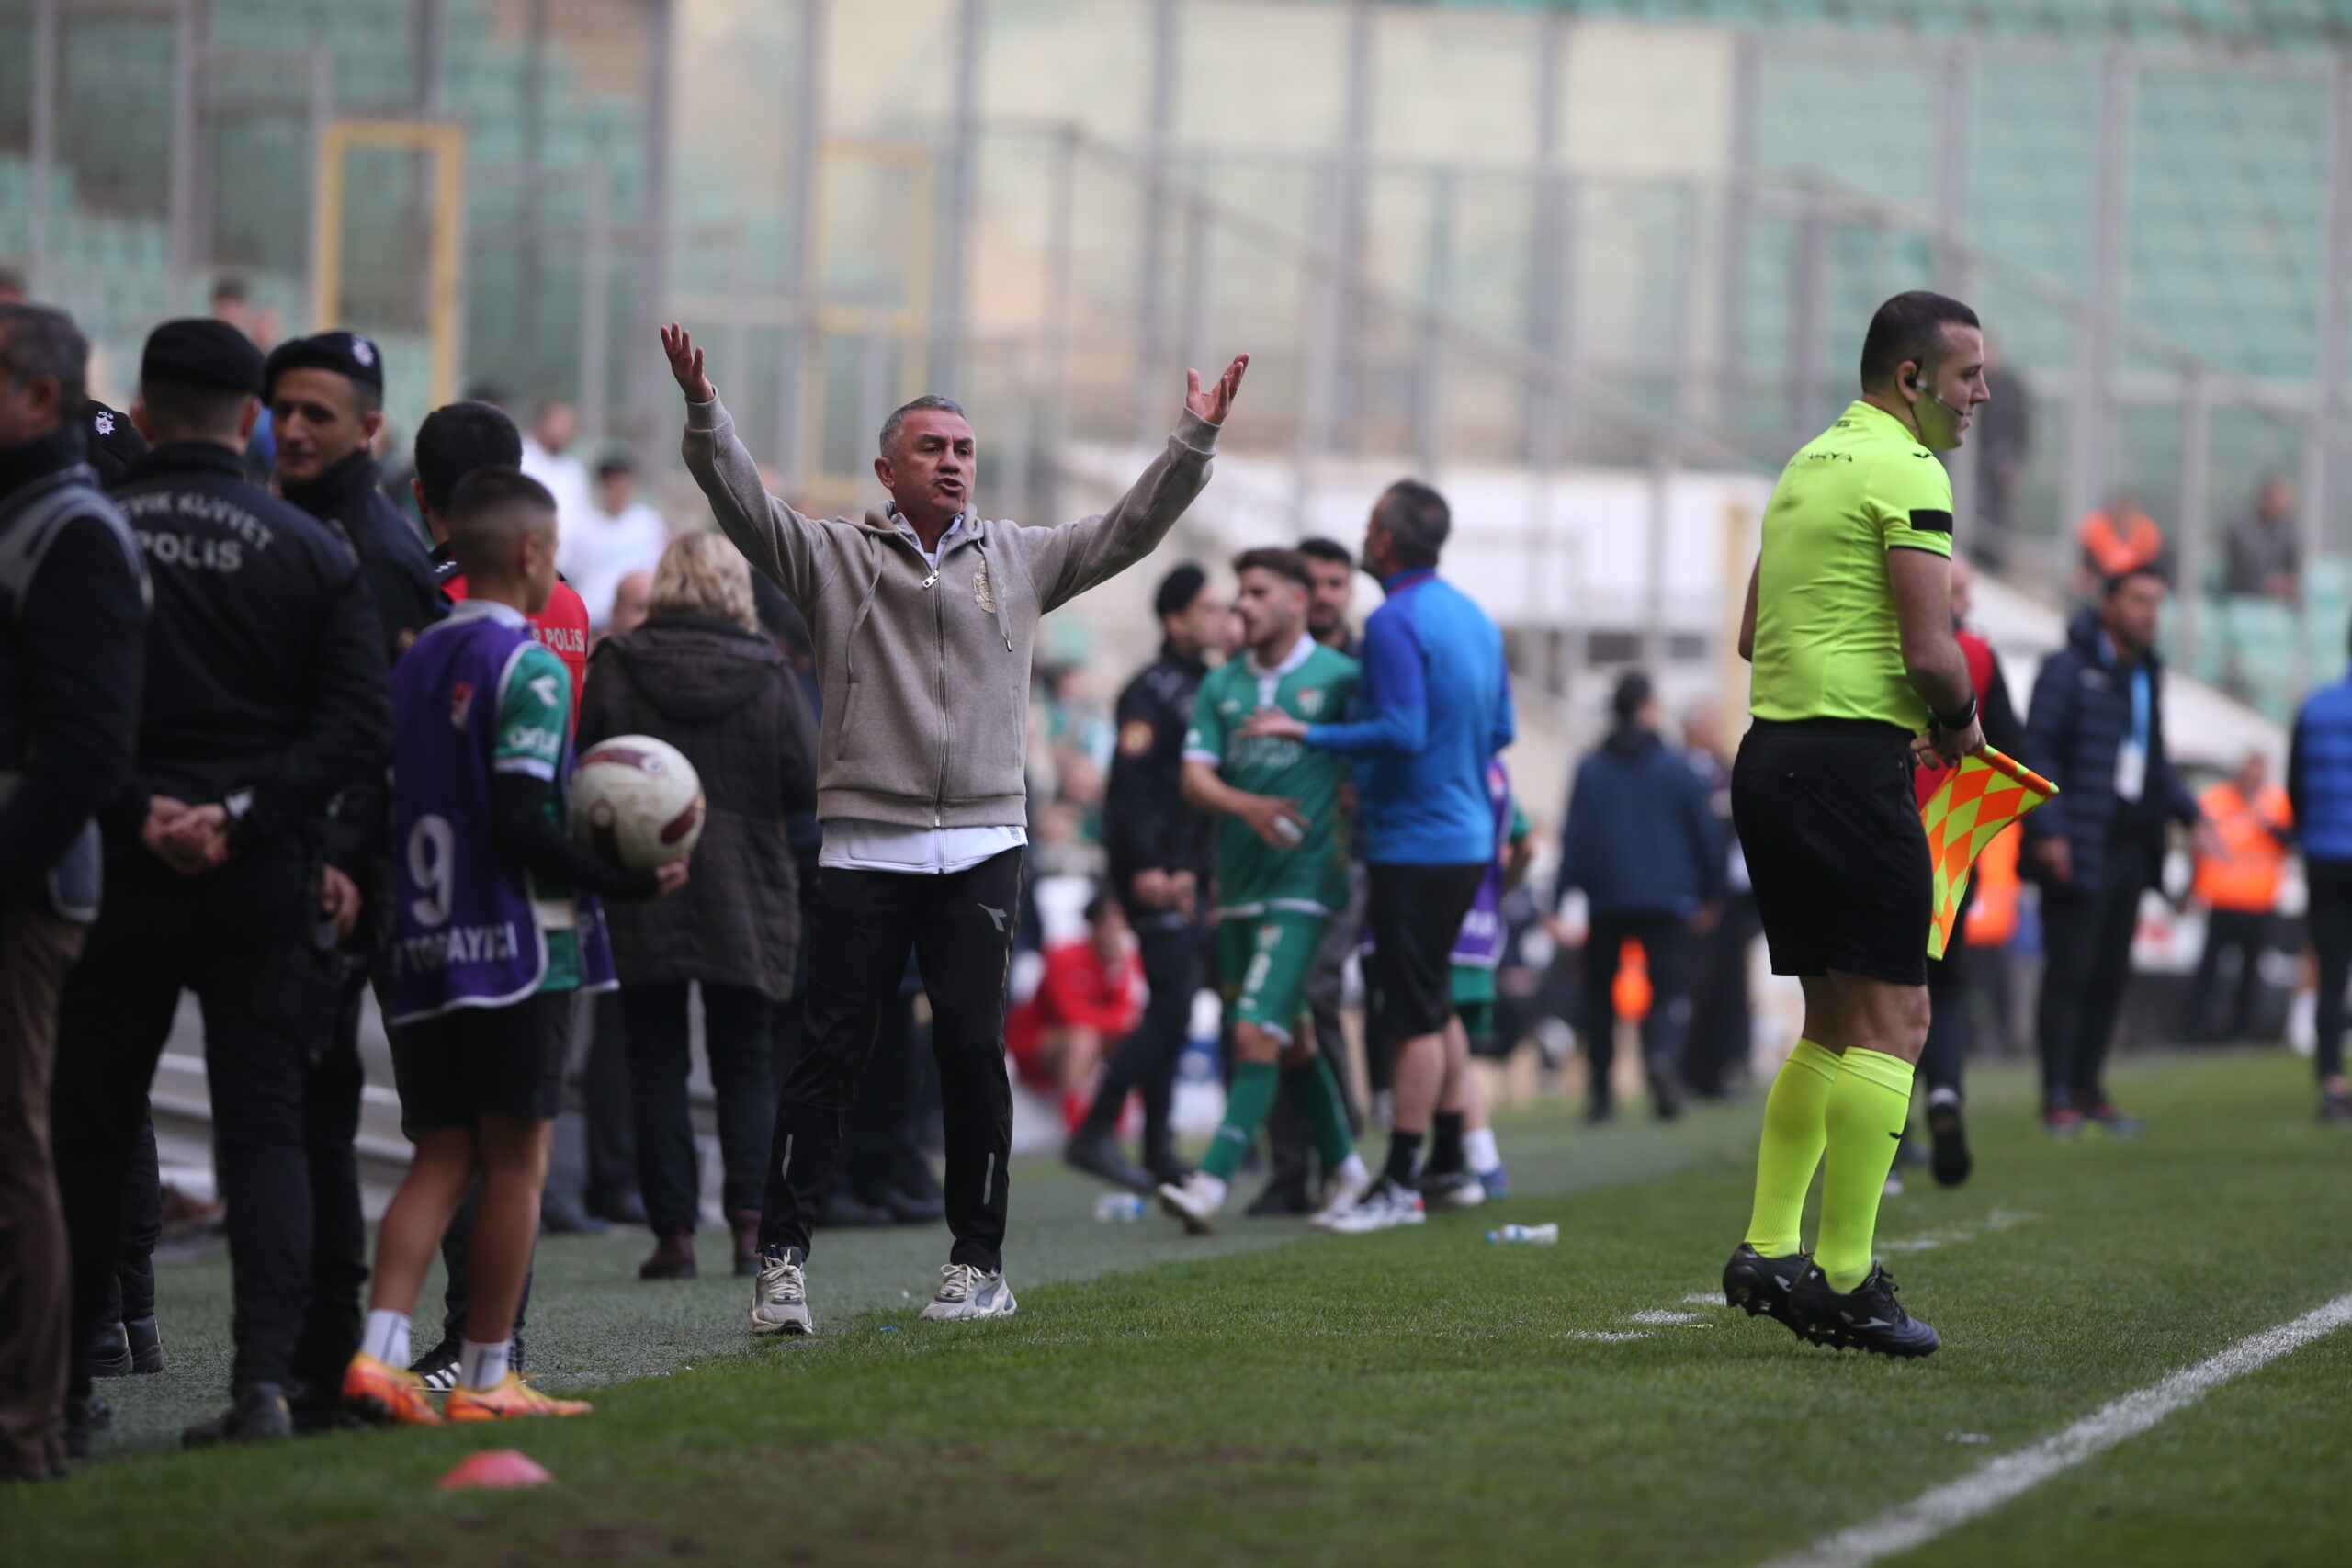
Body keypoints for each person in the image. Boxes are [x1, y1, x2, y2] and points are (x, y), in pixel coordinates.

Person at [665, 321, 1247, 1331]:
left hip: (984, 843)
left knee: (972, 1052)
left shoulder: (1019, 558)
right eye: (930, 448)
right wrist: (707, 417)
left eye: (963, 449)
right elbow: (743, 508)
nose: (951, 462)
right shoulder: (832, 556)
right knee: (831, 1050)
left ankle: (977, 1263)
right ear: (887, 468)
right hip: (863, 841)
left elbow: (1129, 529)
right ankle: (783, 1265)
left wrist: (1190, 441)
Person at [50, 318, 390, 1445]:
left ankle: (63, 1393)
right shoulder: (309, 548)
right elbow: (354, 728)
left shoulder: (89, 533)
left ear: (143, 412)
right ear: (249, 414)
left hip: (122, 868)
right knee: (267, 1133)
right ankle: (261, 1388)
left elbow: (57, 711)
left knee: (89, 1126)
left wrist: (143, 809)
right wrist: (241, 816)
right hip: (263, 877)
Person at [341, 468, 686, 1427]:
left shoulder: (410, 661)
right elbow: (523, 822)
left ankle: (378, 1356)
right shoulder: (528, 666)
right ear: (533, 556)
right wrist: (630, 881)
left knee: (439, 1158)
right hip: (517, 949)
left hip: (419, 940)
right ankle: (488, 1377)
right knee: (516, 1165)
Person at [1721, 290, 1991, 1360]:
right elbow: (1933, 654)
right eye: (1967, 375)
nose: (1981, 396)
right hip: (1845, 767)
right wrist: (1958, 726)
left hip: (1771, 761)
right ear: (1911, 377)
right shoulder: (1907, 470)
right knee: (1899, 1025)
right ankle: (1842, 1283)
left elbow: (1751, 636)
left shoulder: (1806, 463)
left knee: (1830, 1025)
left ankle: (1767, 1247)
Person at [1245, 482, 1514, 1234]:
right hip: (1464, 838)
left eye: (1369, 526)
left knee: (1414, 1014)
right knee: (1425, 1004)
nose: (1363, 537)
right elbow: (1499, 731)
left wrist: (1311, 737)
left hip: (1415, 843)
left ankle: (1401, 1179)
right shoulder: (1475, 617)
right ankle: (1447, 1163)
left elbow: (1399, 729)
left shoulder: (1395, 620)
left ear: (1387, 542)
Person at [579, 532, 818, 1280]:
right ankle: (749, 1229)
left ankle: (672, 1235)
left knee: (655, 1061)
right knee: (745, 1065)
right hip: (748, 889)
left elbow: (586, 769)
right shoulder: (771, 672)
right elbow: (805, 784)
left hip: (647, 879)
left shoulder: (616, 664)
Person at [0, 302, 147, 1481]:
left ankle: (31, 1424)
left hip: (30, 890)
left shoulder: (77, 531)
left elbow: (89, 752)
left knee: (20, 1160)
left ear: (38, 397)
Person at [1157, 548, 1372, 1234]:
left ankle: (1210, 1181)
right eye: (1239, 592)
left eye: (1256, 592)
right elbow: (1194, 778)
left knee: (1253, 1030)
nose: (1240, 605)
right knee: (1294, 1035)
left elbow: (1380, 746)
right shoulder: (1222, 685)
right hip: (1240, 886)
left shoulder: (1342, 677)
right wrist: (1247, 807)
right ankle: (1347, 1168)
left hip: (1309, 884)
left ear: (1296, 603)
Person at [2022, 568, 2213, 1136]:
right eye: (2138, 599)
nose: (2150, 612)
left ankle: (2089, 1090)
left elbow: (2153, 760)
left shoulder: (2146, 674)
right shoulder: (2066, 669)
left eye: (2157, 601)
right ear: (2107, 605)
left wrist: (2192, 814)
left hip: (2132, 847)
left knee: (2108, 974)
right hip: (2079, 843)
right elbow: (2039, 752)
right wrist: (2050, 830)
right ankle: (2056, 1094)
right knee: (2070, 972)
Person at [1069, 563, 1226, 1192]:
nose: (1222, 617)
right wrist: (1151, 868)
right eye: (1210, 607)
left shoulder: (1211, 684)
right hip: (1156, 872)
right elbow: (1129, 791)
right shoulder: (1149, 691)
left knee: (1176, 1008)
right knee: (1173, 1004)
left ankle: (1158, 1145)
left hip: (1191, 871)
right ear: (1176, 619)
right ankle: (1098, 1126)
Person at [1557, 671, 1722, 1122]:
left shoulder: (1590, 768)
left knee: (1600, 998)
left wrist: (1560, 896)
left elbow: (1575, 835)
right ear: (1647, 709)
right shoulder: (1677, 768)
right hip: (1668, 897)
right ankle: (1660, 1056)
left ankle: (1602, 1094)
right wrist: (1710, 890)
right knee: (1667, 989)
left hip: (1606, 895)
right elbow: (1704, 833)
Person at [1263, 533, 1371, 1215]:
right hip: (1271, 857)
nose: (1328, 595)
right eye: (1318, 583)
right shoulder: (1266, 664)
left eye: (1339, 582)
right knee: (1273, 1000)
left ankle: (1344, 1147)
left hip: (1347, 856)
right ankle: (1289, 1165)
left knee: (1319, 989)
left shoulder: (1366, 664)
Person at [1911, 555, 2026, 1188]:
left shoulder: (1885, 646)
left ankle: (1889, 1141)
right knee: (1945, 985)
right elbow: (2010, 750)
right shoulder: (1977, 655)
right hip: (1952, 844)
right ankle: (1947, 1093)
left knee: (1880, 990)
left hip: (1881, 835)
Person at [264, 332, 441, 664]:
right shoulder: (266, 522)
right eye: (283, 410)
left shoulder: (381, 555)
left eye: (316, 415)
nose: (291, 431)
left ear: (368, 429)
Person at [1008, 894, 1147, 1133]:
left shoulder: (1125, 960)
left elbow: (1130, 1011)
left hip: (1088, 1039)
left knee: (1133, 1041)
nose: (1114, 931)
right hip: (1036, 1045)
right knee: (1083, 1040)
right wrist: (1120, 1020)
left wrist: (1119, 972)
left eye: (1120, 922)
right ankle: (1078, 1131)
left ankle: (1113, 1124)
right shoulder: (1063, 956)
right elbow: (1071, 1016)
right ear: (1093, 924)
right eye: (1108, 922)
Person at [1679, 700, 1758, 1100]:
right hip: (1696, 896)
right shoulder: (1679, 772)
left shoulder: (1725, 770)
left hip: (1732, 897)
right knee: (1699, 984)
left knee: (1730, 984)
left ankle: (1722, 1066)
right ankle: (1691, 1069)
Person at [2188, 750, 2291, 1043]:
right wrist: (2191, 889)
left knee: (2250, 973)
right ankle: (2195, 1032)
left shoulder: (2276, 803)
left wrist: (2266, 820)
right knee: (2208, 971)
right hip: (2221, 899)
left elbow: (2290, 840)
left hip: (2259, 902)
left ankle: (2242, 1032)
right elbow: (2198, 846)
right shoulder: (2215, 799)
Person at [2290, 649, 2352, 1121]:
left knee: (2330, 975)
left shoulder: (2315, 706)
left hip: (2324, 856)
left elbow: (2294, 787)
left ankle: (2331, 1084)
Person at [561, 451, 671, 629]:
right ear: (603, 484)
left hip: (637, 621)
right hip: (592, 619)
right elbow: (572, 573)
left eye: (626, 480)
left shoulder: (648, 523)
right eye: (614, 481)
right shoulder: (582, 524)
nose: (621, 487)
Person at [2074, 489, 2164, 601]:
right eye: (2120, 509)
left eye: (2128, 510)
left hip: (2134, 581)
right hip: (2101, 579)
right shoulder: (2096, 527)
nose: (2124, 515)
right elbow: (2089, 557)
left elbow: (2149, 563)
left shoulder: (2147, 531)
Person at [520, 399, 593, 538]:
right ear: (542, 422)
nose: (568, 430)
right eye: (562, 422)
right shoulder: (520, 459)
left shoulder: (574, 469)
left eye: (571, 425)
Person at [2222, 474, 2299, 604]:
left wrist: (2287, 584)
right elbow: (2244, 569)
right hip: (2245, 599)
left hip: (2278, 603)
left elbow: (2294, 567)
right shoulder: (2242, 528)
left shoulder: (2288, 531)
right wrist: (2268, 583)